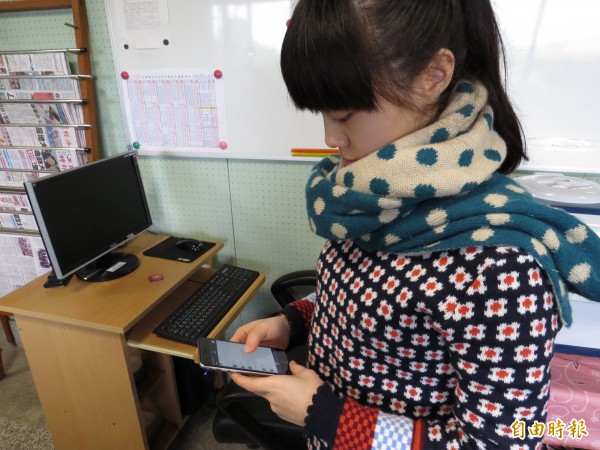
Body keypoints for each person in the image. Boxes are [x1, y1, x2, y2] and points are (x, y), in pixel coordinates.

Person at [230, 1, 600, 449]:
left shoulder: (500, 266)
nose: (330, 138)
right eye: (321, 114)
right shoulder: (368, 199)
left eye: (344, 114)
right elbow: (359, 297)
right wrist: (294, 321)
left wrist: (327, 416)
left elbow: (499, 443)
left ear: (434, 75)